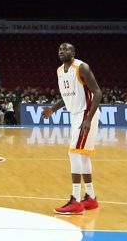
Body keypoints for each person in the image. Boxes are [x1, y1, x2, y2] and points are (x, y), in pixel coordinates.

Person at [42, 43, 103, 214]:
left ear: (73, 52)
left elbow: (98, 92)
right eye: (60, 49)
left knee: (74, 153)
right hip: (76, 114)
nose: (62, 51)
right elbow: (67, 96)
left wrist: (88, 119)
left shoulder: (82, 67)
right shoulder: (59, 71)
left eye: (66, 49)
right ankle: (91, 198)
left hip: (86, 113)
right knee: (83, 155)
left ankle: (75, 200)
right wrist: (53, 109)